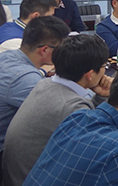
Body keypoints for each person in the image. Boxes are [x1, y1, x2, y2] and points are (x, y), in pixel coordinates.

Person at [3, 34, 113, 186]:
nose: (105, 72)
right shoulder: (72, 106)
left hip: (19, 174)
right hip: (34, 180)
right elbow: (98, 145)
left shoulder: (45, 84)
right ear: (90, 74)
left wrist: (100, 97)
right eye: (104, 66)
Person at [0, 16, 70, 161]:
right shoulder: (24, 78)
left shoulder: (8, 56)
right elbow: (63, 112)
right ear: (44, 50)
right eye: (61, 49)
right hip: (6, 154)